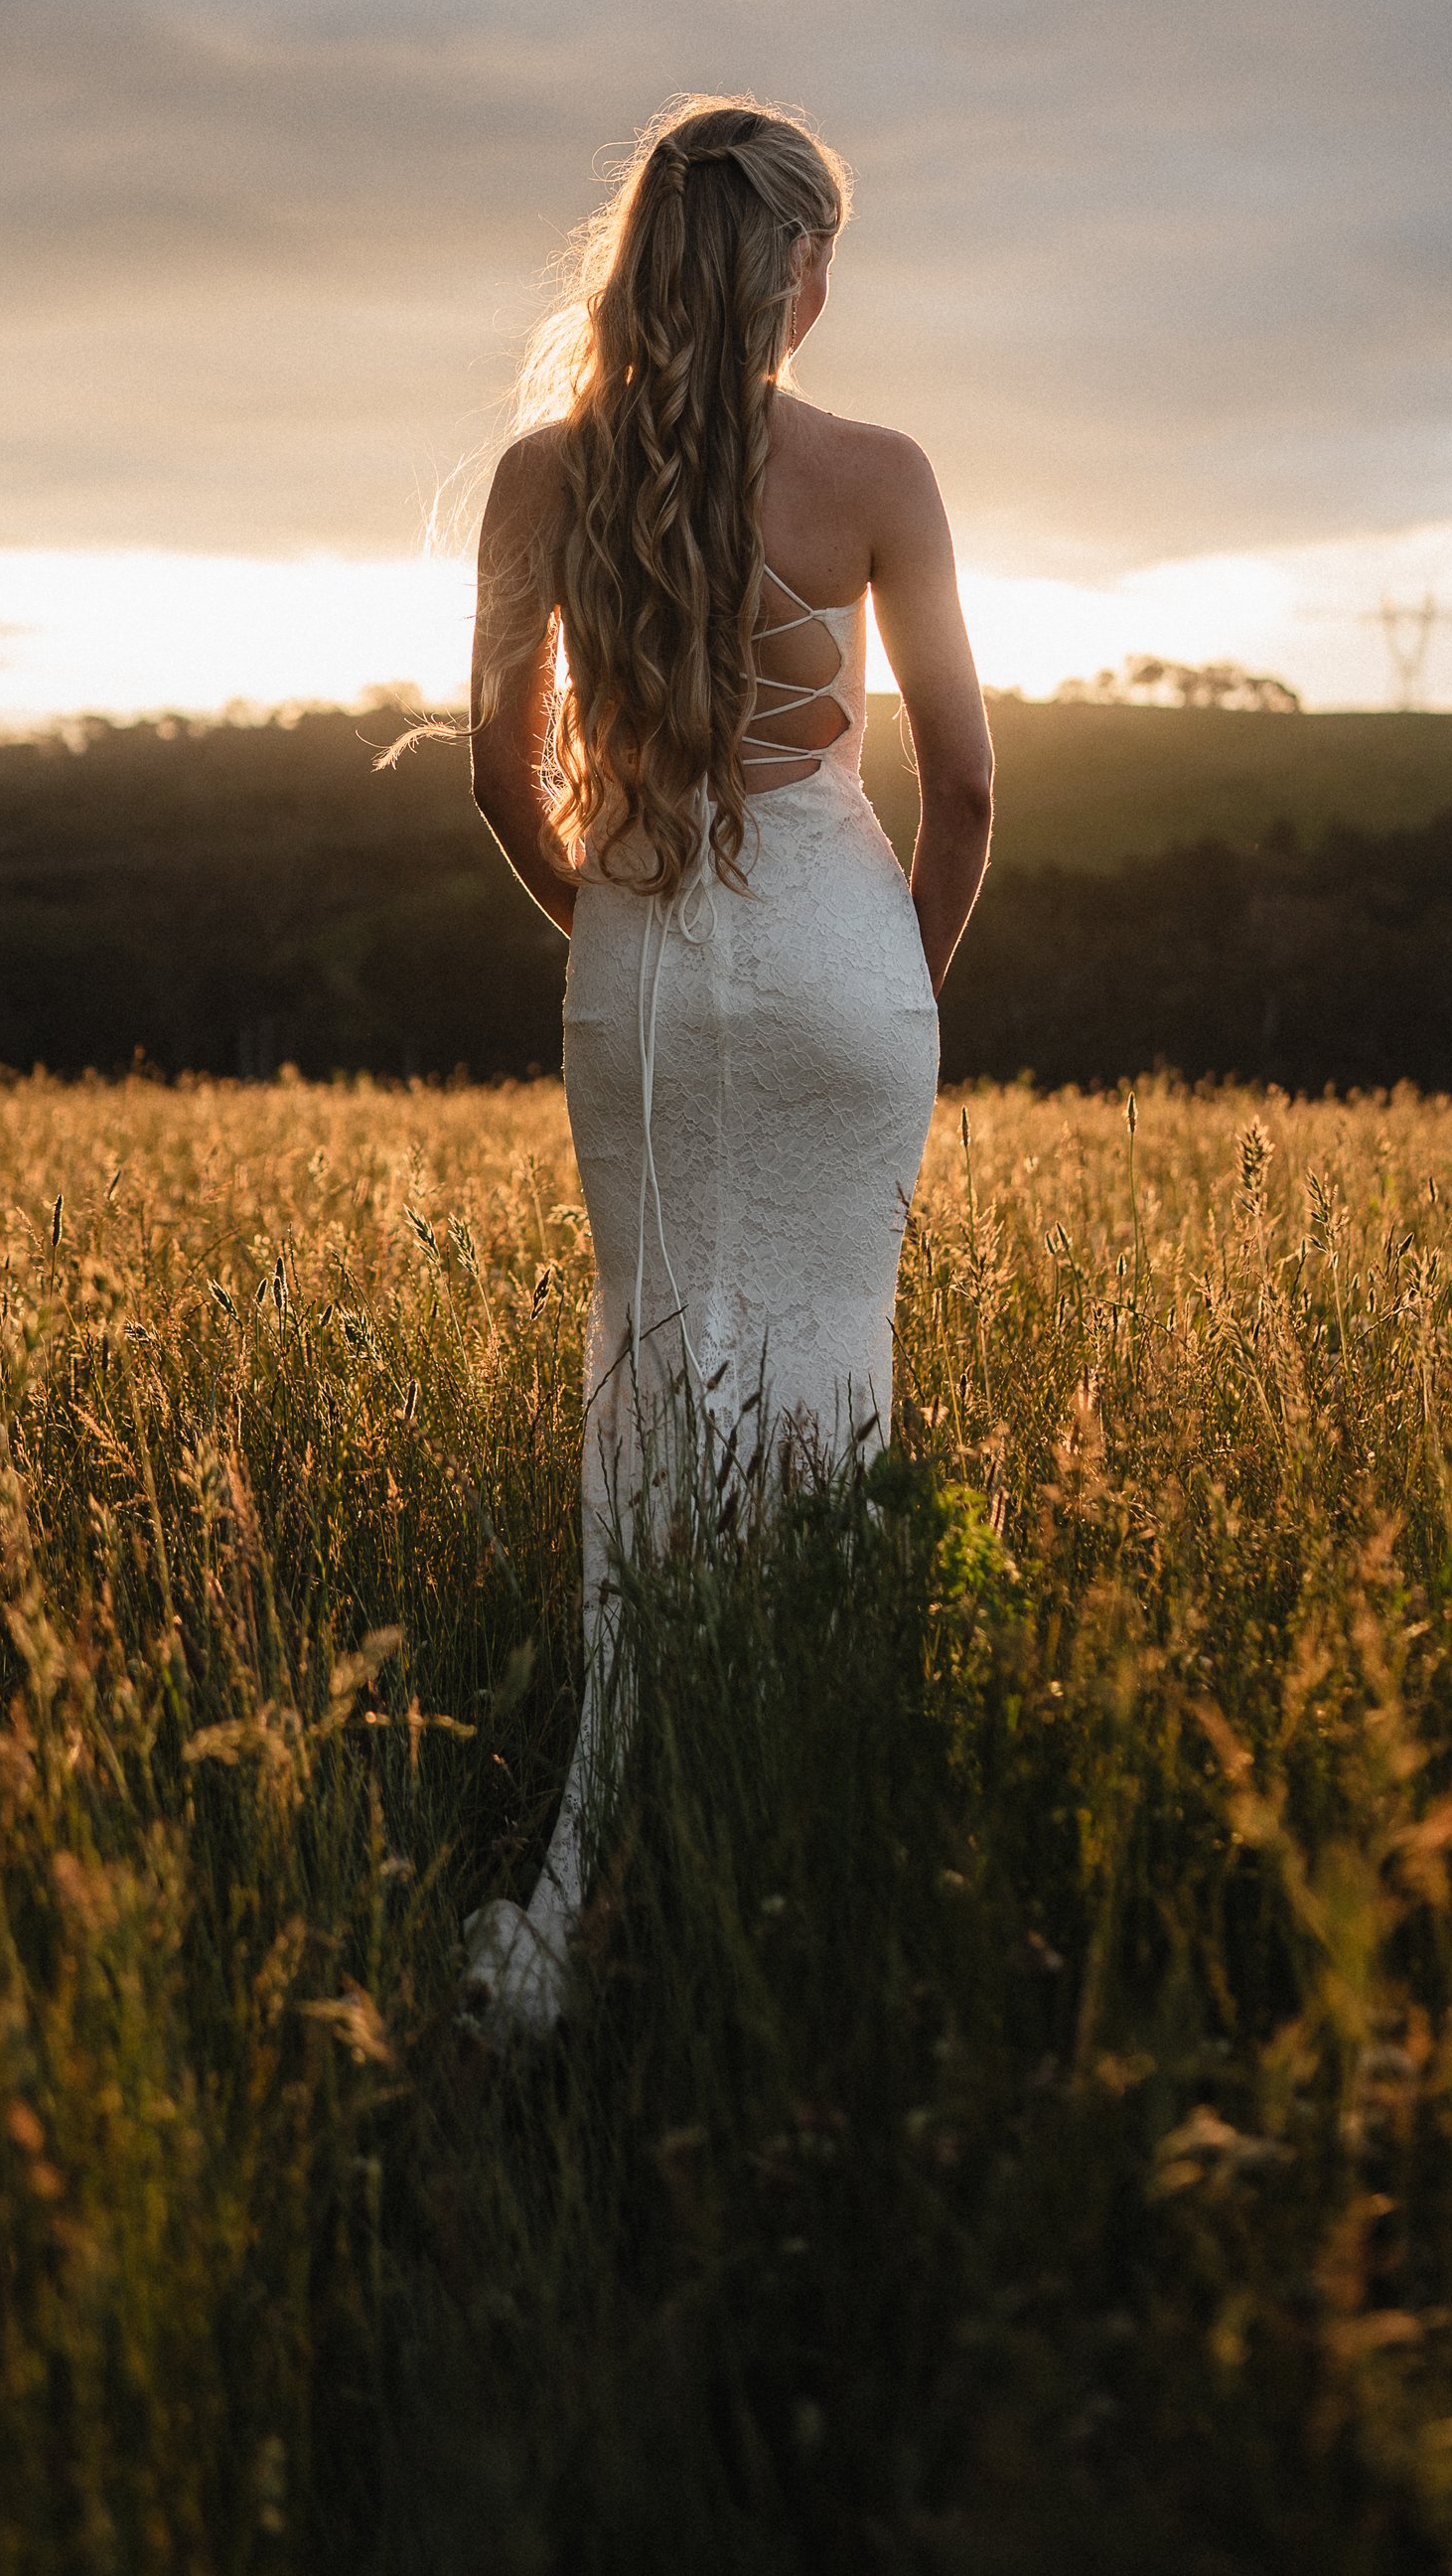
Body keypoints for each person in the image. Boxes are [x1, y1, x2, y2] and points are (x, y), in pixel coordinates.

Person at [461, 100, 994, 2039]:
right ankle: (814, 1799)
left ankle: (609, 1850)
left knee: (650, 1352)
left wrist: (614, 939)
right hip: (847, 962)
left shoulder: (539, 477)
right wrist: (887, 984)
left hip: (641, 949)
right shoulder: (880, 474)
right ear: (805, 277)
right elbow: (969, 783)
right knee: (829, 1354)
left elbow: (493, 777)